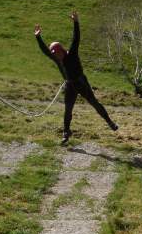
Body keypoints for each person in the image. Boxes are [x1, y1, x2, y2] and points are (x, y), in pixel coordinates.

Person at [34, 11, 118, 145]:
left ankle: (110, 122)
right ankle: (66, 132)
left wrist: (76, 22)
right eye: (54, 54)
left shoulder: (71, 53)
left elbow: (76, 38)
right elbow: (45, 51)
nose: (55, 55)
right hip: (70, 86)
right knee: (68, 110)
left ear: (61, 50)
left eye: (56, 53)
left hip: (81, 82)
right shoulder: (57, 59)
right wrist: (38, 37)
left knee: (95, 103)